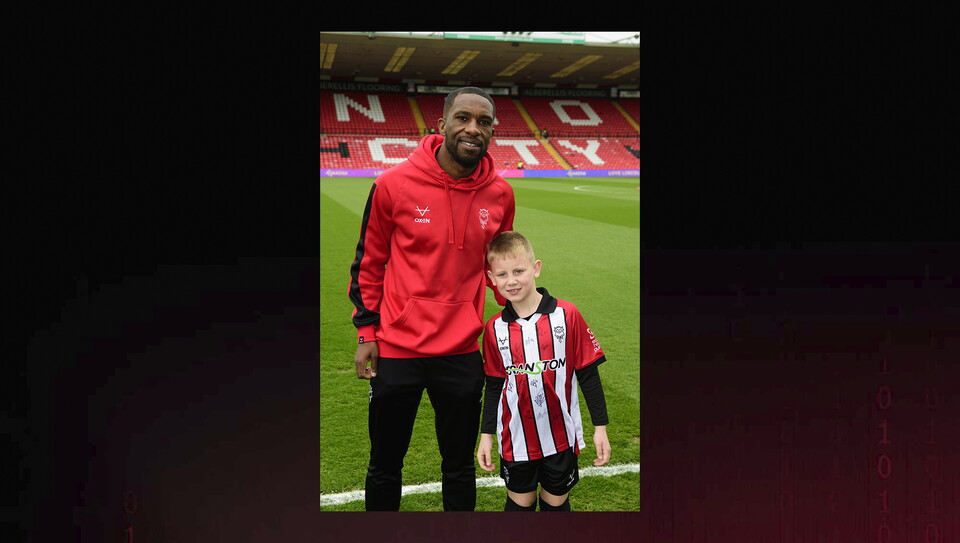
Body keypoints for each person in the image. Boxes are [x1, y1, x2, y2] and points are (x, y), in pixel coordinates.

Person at [348, 86, 516, 511]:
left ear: (492, 131)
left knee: (458, 466)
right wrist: (367, 332)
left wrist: (521, 313)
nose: (472, 128)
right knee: (385, 464)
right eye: (463, 118)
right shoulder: (392, 184)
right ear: (442, 125)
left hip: (460, 352)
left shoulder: (501, 194)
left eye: (483, 121)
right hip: (397, 350)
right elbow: (368, 264)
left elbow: (498, 268)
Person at [476, 231, 611, 511]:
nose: (511, 281)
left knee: (556, 503)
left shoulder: (567, 315)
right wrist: (486, 434)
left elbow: (588, 373)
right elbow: (494, 385)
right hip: (515, 438)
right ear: (491, 279)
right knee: (520, 503)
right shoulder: (494, 329)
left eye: (518, 271)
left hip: (561, 436)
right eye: (502, 275)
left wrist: (601, 428)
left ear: (535, 268)